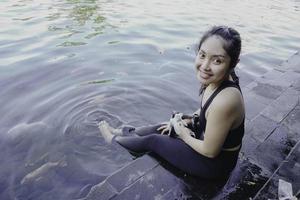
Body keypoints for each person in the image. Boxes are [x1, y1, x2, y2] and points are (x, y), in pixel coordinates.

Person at [98, 25, 245, 179]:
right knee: (162, 127)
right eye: (202, 55)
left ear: (233, 63)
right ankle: (123, 132)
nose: (205, 66)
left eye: (217, 60)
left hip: (214, 165)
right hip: (207, 142)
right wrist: (188, 120)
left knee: (154, 141)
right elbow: (206, 111)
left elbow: (210, 151)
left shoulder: (226, 101)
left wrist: (184, 135)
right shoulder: (219, 80)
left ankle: (113, 140)